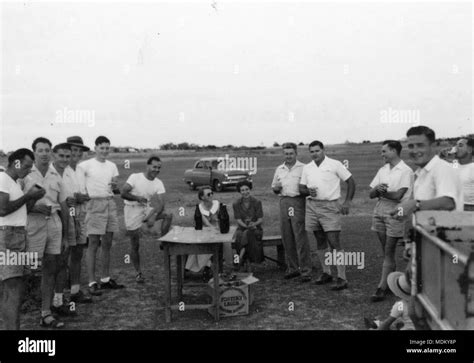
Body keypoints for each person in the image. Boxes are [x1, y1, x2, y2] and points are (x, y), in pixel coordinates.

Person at [23, 137, 68, 328]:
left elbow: (64, 206)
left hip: (54, 223)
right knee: (29, 268)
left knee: (51, 268)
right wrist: (33, 209)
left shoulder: (56, 175)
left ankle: (46, 312)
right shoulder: (25, 175)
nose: (44, 153)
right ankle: (21, 305)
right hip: (32, 224)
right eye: (40, 150)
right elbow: (12, 206)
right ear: (34, 152)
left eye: (47, 150)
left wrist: (66, 234)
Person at [299, 140, 356, 290]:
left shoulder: (335, 164)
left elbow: (351, 182)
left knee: (334, 241)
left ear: (323, 150)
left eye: (317, 151)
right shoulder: (307, 168)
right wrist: (307, 191)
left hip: (330, 206)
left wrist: (347, 202)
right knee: (319, 240)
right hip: (312, 206)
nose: (314, 154)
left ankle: (342, 277)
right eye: (311, 151)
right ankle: (326, 272)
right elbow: (301, 188)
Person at [0, 149, 45, 329]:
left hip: (15, 235)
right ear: (16, 163)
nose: (27, 170)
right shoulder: (3, 179)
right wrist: (29, 195)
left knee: (13, 286)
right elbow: (2, 210)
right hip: (9, 236)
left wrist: (33, 198)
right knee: (13, 288)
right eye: (26, 166)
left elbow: (20, 211)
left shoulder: (14, 183)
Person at [77, 136, 124, 295]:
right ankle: (91, 281)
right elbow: (79, 187)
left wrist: (115, 185)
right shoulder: (85, 165)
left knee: (108, 243)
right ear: (95, 148)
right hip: (94, 204)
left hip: (109, 203)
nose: (105, 151)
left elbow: (114, 183)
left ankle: (105, 278)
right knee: (93, 243)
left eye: (107, 148)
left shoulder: (112, 166)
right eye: (102, 148)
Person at [368, 140, 414, 302]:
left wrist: (382, 192)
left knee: (388, 251)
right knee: (386, 251)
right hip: (379, 210)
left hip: (395, 213)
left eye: (384, 151)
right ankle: (389, 280)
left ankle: (381, 287)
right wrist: (377, 190)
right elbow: (371, 194)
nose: (382, 154)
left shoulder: (406, 171)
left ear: (394, 151)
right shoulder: (383, 169)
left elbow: (398, 196)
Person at [391, 126, 463, 219]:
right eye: (411, 146)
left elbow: (449, 202)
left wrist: (414, 205)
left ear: (432, 146)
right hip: (429, 231)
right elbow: (425, 204)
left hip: (445, 232)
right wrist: (403, 211)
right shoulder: (422, 172)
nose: (415, 151)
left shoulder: (442, 168)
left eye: (420, 145)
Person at [121, 156, 173, 283]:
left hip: (145, 209)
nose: (156, 170)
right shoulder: (135, 177)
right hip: (132, 209)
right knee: (135, 243)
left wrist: (154, 216)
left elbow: (161, 204)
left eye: (159, 167)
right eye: (154, 167)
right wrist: (138, 198)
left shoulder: (158, 182)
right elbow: (123, 193)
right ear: (148, 166)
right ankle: (138, 273)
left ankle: (163, 242)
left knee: (168, 214)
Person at [271, 142, 312, 282]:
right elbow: (274, 188)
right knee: (287, 235)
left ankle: (306, 270)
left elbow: (308, 188)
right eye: (286, 153)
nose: (288, 156)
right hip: (284, 202)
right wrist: (276, 188)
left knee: (299, 236)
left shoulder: (304, 168)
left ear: (296, 153)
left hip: (297, 202)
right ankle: (293, 268)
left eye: (291, 153)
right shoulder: (279, 169)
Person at [49, 143, 81, 317]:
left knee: (63, 260)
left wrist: (74, 201)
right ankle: (46, 305)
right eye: (61, 155)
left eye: (67, 156)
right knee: (49, 264)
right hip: (50, 220)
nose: (65, 159)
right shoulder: (47, 172)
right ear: (55, 155)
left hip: (67, 218)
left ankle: (58, 301)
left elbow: (71, 199)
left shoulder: (70, 173)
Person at [63, 136, 93, 303]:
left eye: (80, 151)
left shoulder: (81, 170)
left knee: (78, 253)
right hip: (67, 214)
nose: (77, 153)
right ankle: (58, 297)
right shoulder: (60, 169)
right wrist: (72, 199)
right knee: (63, 253)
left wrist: (83, 197)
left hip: (81, 214)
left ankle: (75, 291)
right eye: (73, 150)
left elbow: (86, 193)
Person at [185, 186, 232, 279]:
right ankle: (208, 266)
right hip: (206, 232)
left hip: (218, 231)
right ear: (202, 197)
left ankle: (224, 266)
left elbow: (224, 220)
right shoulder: (199, 208)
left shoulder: (217, 205)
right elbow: (206, 224)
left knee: (226, 243)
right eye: (208, 194)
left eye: (212, 193)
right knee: (200, 244)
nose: (211, 195)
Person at [233, 180, 264, 270]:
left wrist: (253, 224)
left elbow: (260, 219)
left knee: (248, 233)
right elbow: (238, 219)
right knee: (240, 234)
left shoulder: (257, 202)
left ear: (250, 189)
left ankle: (239, 259)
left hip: (256, 228)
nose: (245, 192)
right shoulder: (236, 204)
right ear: (240, 191)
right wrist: (246, 226)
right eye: (242, 190)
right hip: (242, 228)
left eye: (247, 189)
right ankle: (246, 260)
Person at [453, 137, 474, 211]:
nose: (456, 148)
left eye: (460, 145)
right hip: (454, 206)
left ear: (469, 150)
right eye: (456, 145)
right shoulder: (454, 164)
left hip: (469, 207)